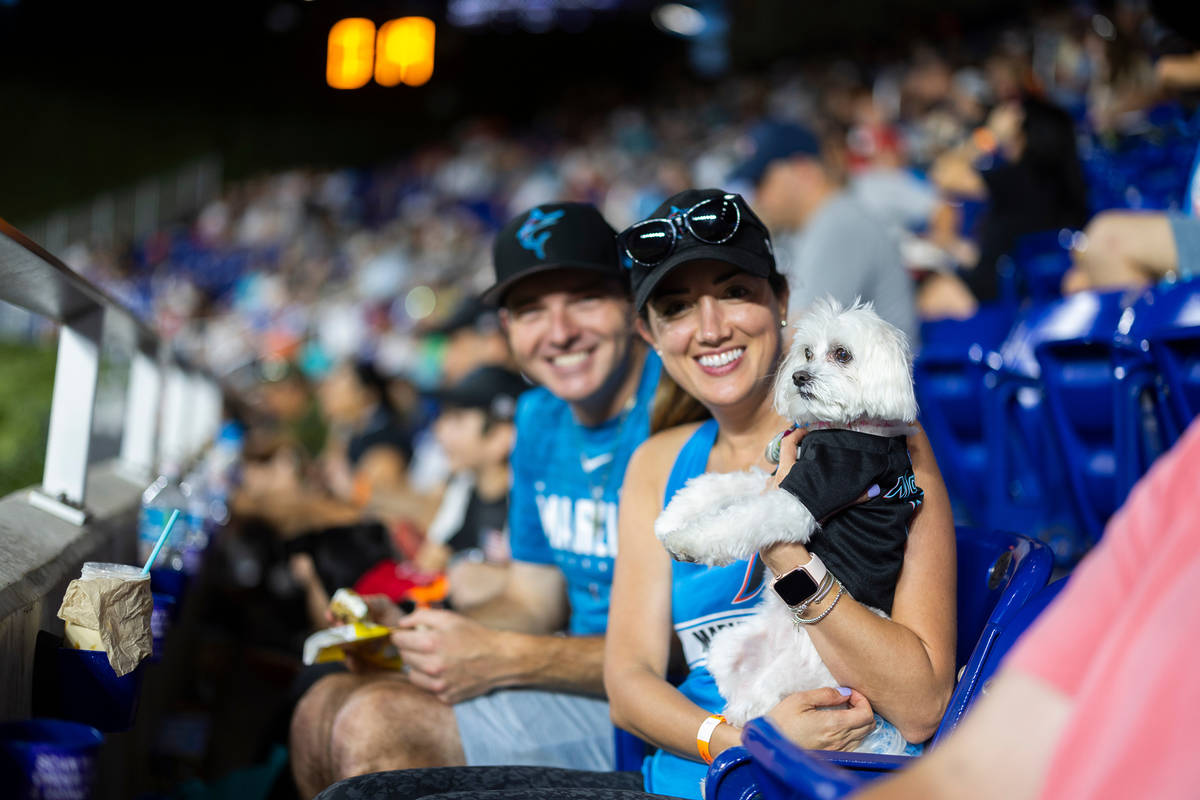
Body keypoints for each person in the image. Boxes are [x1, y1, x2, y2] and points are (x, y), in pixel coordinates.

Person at [315, 190, 957, 800]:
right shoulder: (658, 463)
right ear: (650, 332)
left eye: (735, 292)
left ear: (780, 300)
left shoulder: (882, 441)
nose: (709, 327)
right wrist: (744, 742)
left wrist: (784, 546)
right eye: (675, 307)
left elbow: (923, 705)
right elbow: (629, 681)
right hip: (689, 771)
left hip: (819, 776)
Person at [290, 201, 662, 798]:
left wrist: (507, 656)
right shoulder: (538, 416)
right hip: (584, 682)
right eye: (531, 310)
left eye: (585, 298)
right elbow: (530, 599)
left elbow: (682, 643)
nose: (559, 331)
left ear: (631, 302)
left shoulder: (675, 410)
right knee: (321, 706)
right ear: (508, 330)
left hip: (658, 710)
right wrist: (419, 631)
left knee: (371, 724)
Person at [833, 417, 1200, 799]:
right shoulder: (1185, 482)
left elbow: (926, 716)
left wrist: (790, 560)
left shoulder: (885, 439)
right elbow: (969, 770)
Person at [729, 120, 919, 343]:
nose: (756, 196)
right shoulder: (818, 223)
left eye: (761, 181)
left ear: (803, 170)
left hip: (876, 375)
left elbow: (797, 339)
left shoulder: (839, 224)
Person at [920, 95, 1089, 317]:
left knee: (927, 291)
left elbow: (943, 173)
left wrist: (990, 135)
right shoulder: (1069, 182)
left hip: (993, 304)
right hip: (1024, 298)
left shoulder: (1020, 177)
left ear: (1024, 136)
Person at [417, 364, 529, 609]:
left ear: (503, 436)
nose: (439, 431)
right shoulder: (463, 486)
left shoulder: (529, 499)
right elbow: (429, 560)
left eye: (456, 420)